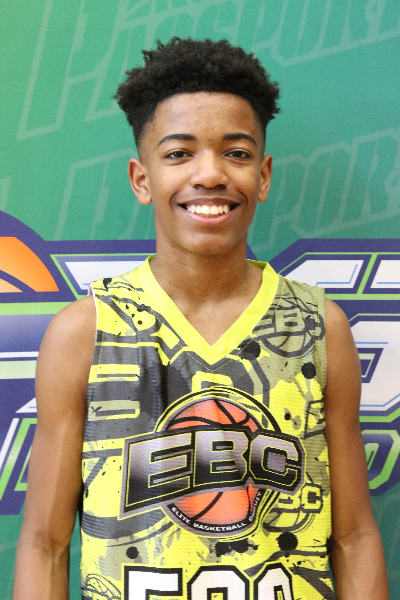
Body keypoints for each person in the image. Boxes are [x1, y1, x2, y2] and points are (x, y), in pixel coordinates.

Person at [14, 37, 389, 600]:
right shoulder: (85, 332)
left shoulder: (318, 327)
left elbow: (354, 537)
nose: (210, 174)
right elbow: (45, 543)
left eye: (236, 153)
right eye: (179, 154)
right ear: (142, 179)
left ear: (263, 175)